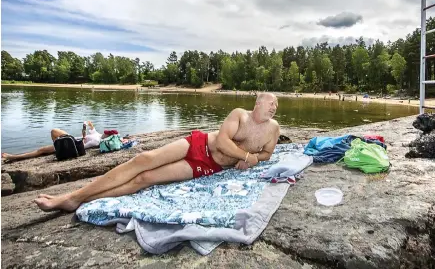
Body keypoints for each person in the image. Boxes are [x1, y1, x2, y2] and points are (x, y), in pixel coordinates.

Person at [34, 92, 280, 213]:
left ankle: (79, 201)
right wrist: (246, 156)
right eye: (271, 103)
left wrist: (256, 159)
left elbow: (268, 153)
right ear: (257, 102)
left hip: (210, 165)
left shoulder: (274, 129)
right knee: (144, 159)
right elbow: (225, 142)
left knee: (145, 179)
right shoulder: (240, 114)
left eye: (277, 106)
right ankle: (73, 196)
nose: (275, 108)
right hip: (200, 144)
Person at [2, 121, 103, 162]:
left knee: (41, 150)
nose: (105, 133)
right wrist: (86, 124)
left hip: (73, 146)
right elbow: (89, 128)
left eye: (107, 134)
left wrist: (83, 139)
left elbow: (84, 145)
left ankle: (13, 157)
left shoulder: (98, 140)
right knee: (54, 132)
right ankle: (58, 145)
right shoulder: (98, 134)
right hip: (73, 140)